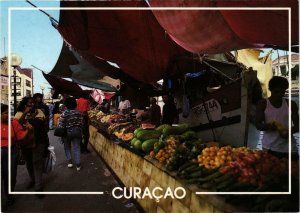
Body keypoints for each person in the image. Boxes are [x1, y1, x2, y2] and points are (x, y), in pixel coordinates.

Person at [255, 76, 299, 159]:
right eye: (276, 92)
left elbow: (297, 126)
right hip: (269, 148)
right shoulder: (263, 104)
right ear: (270, 90)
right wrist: (269, 126)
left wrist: (288, 132)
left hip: (290, 149)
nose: (279, 94)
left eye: (282, 92)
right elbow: (258, 125)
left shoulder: (291, 104)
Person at [14, 97, 49, 194]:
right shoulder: (19, 114)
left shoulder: (40, 112)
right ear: (25, 104)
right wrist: (25, 113)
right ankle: (32, 180)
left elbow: (44, 127)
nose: (32, 104)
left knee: (36, 162)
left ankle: (38, 186)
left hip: (39, 142)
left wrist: (46, 143)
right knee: (29, 163)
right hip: (26, 143)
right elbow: (17, 126)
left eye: (33, 103)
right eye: (30, 103)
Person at [1, 104, 32, 208]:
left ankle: (9, 196)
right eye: (5, 113)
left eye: (8, 113)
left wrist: (28, 130)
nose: (7, 115)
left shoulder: (13, 123)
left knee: (11, 176)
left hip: (12, 152)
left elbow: (20, 136)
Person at [59, 97, 84, 171]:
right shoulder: (78, 112)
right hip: (77, 131)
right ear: (75, 104)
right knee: (76, 147)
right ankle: (78, 165)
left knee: (67, 147)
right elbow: (82, 123)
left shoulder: (64, 113)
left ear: (66, 104)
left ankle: (70, 162)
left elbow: (61, 124)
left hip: (67, 132)